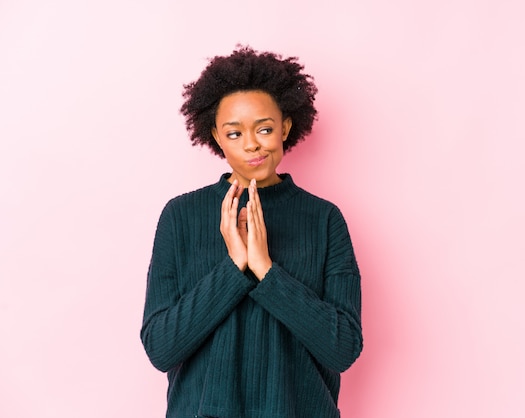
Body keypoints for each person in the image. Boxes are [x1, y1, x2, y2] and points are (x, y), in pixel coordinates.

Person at [140, 46, 363, 418]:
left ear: (285, 128)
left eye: (264, 128)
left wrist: (266, 271)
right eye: (234, 132)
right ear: (215, 135)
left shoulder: (324, 219)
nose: (251, 144)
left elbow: (342, 349)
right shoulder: (180, 216)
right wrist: (233, 268)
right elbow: (161, 349)